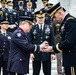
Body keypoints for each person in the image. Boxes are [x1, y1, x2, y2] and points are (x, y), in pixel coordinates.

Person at [43, 2, 76, 75]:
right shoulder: (65, 22)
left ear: (60, 13)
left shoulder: (70, 21)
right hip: (68, 58)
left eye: (54, 17)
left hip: (72, 59)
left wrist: (53, 48)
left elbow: (68, 42)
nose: (54, 19)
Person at [29, 10, 55, 75]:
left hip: (47, 53)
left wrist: (52, 53)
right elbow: (30, 41)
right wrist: (31, 52)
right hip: (36, 53)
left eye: (42, 17)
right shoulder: (33, 28)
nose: (41, 19)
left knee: (47, 72)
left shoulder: (49, 27)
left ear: (44, 18)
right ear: (36, 18)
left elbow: (52, 41)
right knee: (35, 72)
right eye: (39, 18)